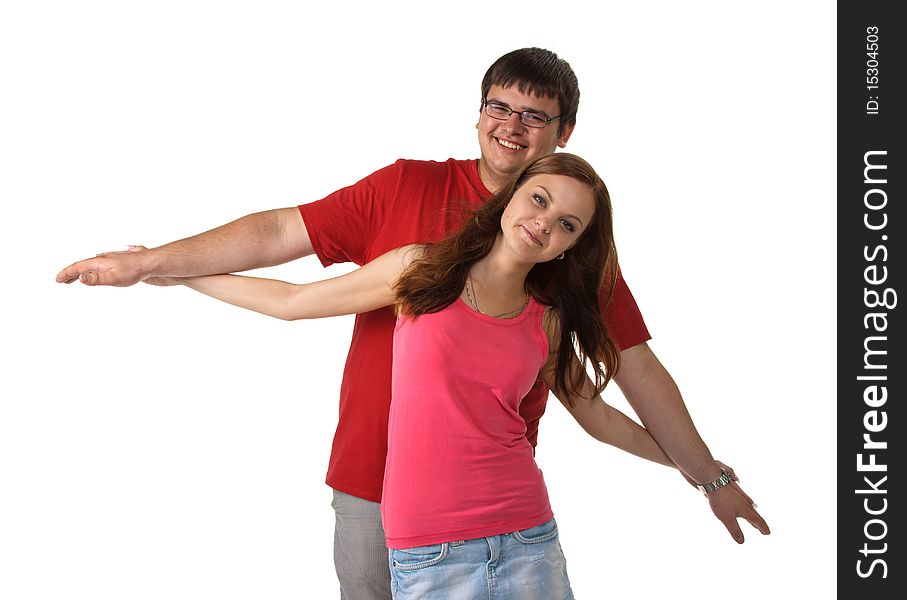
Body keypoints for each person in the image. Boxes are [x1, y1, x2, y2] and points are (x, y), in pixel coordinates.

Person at [56, 48, 769, 599]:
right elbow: (285, 263)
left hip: (513, 523)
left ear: (563, 133)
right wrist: (155, 265)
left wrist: (707, 477)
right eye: (501, 107)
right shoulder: (412, 218)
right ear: (479, 112)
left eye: (535, 116)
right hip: (378, 489)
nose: (512, 127)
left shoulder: (560, 290)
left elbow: (619, 387)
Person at [145, 153, 684, 599]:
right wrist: (172, 270)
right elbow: (292, 300)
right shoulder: (420, 270)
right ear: (511, 196)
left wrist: (699, 471)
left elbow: (598, 416)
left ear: (571, 245)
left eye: (568, 224)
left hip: (527, 537)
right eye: (539, 199)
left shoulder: (546, 315)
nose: (544, 222)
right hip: (429, 551)